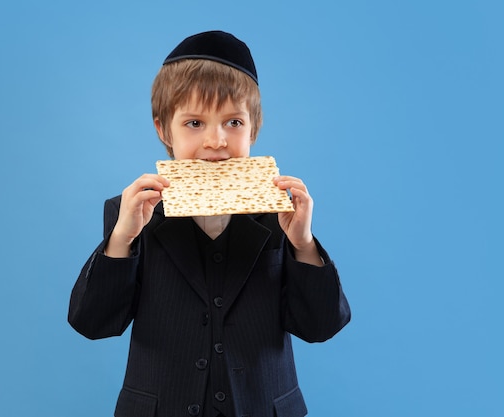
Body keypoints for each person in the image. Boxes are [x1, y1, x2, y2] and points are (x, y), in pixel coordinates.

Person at [68, 30, 351, 417]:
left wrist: (302, 244)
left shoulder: (280, 215)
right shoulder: (132, 214)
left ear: (255, 128)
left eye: (233, 122)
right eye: (195, 123)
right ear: (162, 129)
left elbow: (319, 327)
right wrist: (122, 239)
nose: (216, 141)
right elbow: (93, 323)